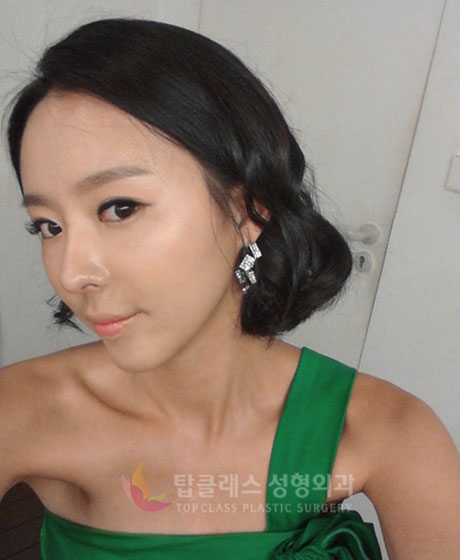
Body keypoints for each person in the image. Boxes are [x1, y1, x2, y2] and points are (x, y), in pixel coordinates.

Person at [1, 17, 459, 560]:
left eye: (119, 208)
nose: (73, 273)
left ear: (249, 210)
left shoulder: (392, 432)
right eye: (49, 226)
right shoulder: (19, 411)